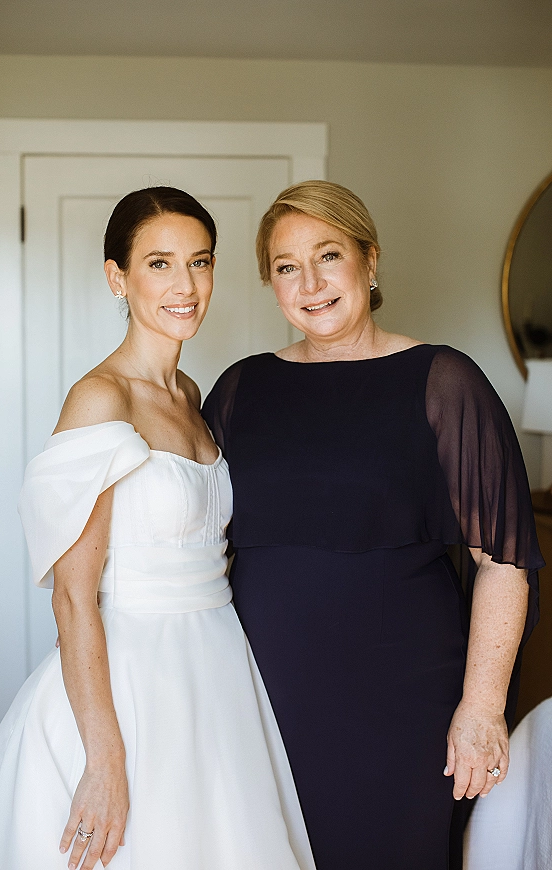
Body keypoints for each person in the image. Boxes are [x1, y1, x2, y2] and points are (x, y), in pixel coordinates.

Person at [202, 180, 545, 870]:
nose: (310, 283)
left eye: (328, 255)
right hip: (263, 696)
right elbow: (198, 546)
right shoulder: (241, 388)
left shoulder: (443, 382)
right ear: (271, 283)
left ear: (370, 259)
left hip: (403, 703)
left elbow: (503, 560)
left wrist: (481, 708)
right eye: (287, 266)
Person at [0, 187, 315, 870]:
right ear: (117, 277)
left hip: (217, 668)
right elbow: (73, 597)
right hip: (132, 674)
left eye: (200, 261)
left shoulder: (191, 397)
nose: (185, 286)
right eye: (159, 264)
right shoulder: (102, 398)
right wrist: (104, 758)